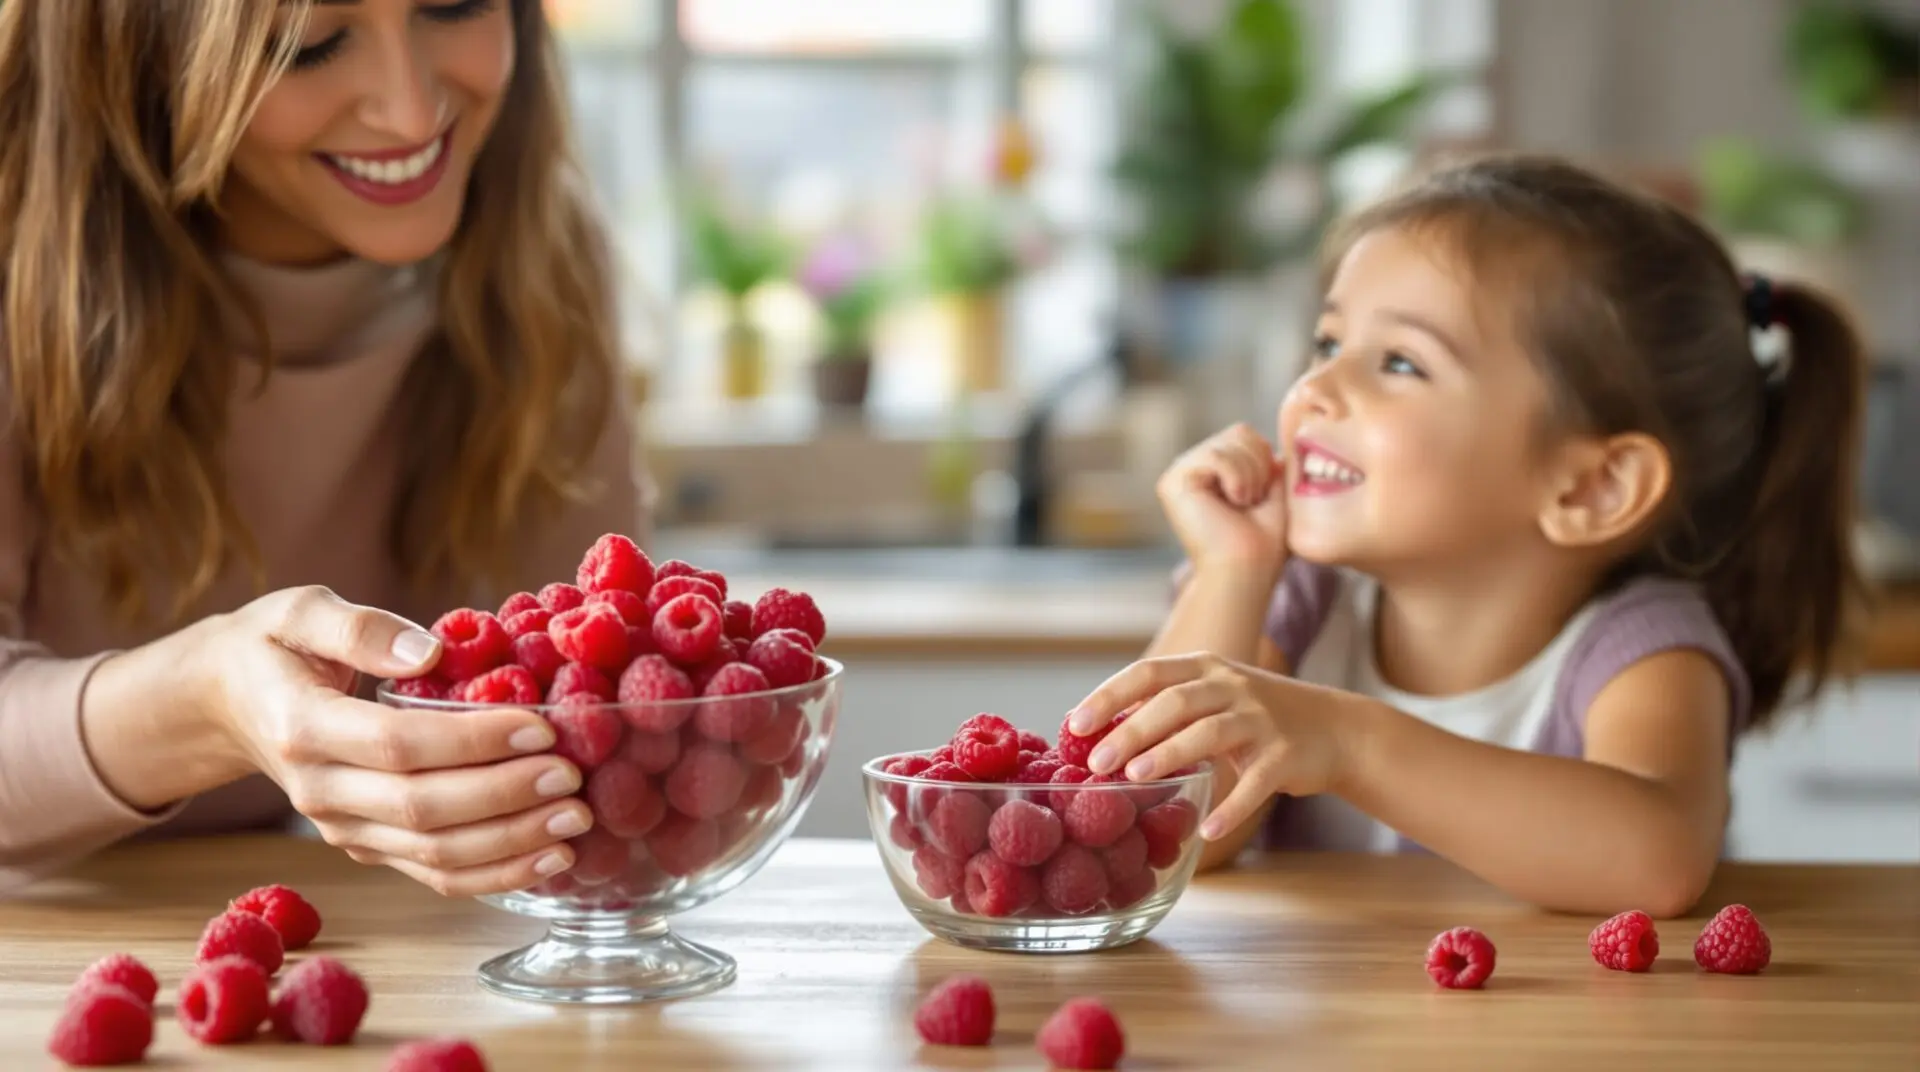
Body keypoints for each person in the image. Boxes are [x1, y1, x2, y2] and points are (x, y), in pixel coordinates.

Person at [1066, 155, 1868, 917]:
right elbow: (1152, 840)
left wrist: (1351, 742)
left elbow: (1659, 860)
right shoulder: (1298, 601)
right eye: (1329, 344)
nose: (1314, 389)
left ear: (1593, 488)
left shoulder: (1640, 648)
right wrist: (1232, 570)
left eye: (1401, 363)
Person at [0, 0, 651, 898]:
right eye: (303, 46)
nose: (411, 112)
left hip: (311, 923)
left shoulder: (540, 258)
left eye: (454, 5)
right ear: (134, 51)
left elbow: (580, 695)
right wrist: (204, 701)